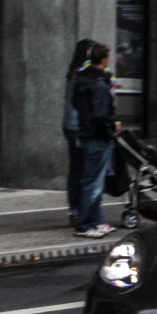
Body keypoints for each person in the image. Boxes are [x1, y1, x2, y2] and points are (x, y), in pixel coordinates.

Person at [72, 42, 120, 239]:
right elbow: (101, 115)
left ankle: (96, 220)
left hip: (86, 134)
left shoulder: (81, 80)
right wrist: (111, 128)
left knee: (92, 181)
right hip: (98, 137)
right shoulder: (99, 85)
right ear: (104, 60)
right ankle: (85, 224)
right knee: (93, 183)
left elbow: (77, 105)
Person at [64, 38, 95, 228]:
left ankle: (77, 209)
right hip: (77, 127)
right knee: (79, 169)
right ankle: (77, 209)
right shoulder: (80, 74)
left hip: (74, 126)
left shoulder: (74, 73)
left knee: (78, 168)